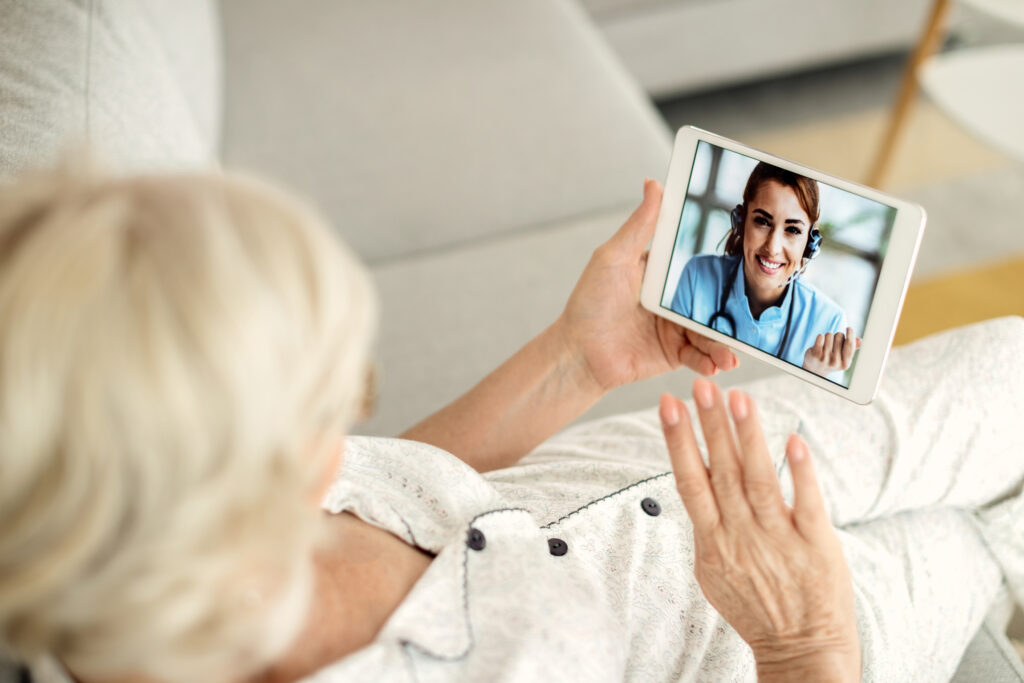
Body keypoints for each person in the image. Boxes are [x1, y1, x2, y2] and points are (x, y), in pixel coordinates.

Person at [0, 163, 1022, 683]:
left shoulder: (157, 545)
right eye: (323, 401)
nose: (353, 408)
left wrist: (578, 356)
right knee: (989, 542)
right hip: (765, 637)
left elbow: (403, 480)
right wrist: (805, 641)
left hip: (683, 459)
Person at [670, 162, 861, 382]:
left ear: (810, 245)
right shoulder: (697, 276)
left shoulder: (828, 322)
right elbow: (672, 371)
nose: (772, 247)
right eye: (762, 221)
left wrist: (812, 374)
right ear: (741, 222)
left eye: (792, 230)